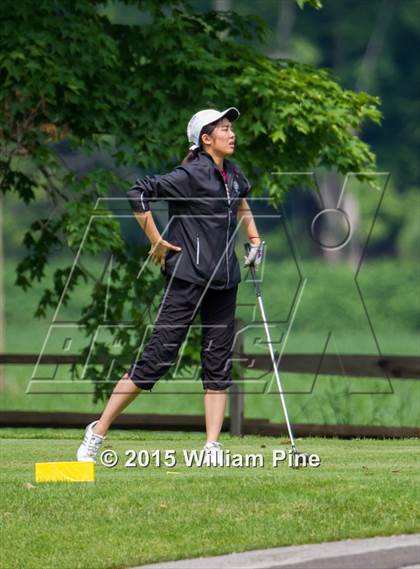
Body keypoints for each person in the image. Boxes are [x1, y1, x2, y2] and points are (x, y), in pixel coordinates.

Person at [76, 107, 263, 465]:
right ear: (206, 139)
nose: (231, 133)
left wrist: (254, 239)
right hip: (187, 279)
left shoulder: (234, 174)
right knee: (155, 361)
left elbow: (240, 202)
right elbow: (138, 193)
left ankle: (211, 447)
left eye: (231, 128)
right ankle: (98, 431)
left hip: (224, 282)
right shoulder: (190, 174)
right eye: (223, 129)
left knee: (218, 363)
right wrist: (156, 240)